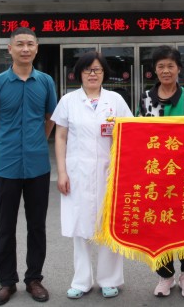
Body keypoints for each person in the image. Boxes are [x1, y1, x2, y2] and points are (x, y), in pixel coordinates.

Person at [0, 27, 58, 306]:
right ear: (10, 49)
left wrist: (39, 140)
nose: (25, 49)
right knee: (6, 227)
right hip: (6, 166)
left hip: (38, 166)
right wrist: (2, 145)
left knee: (37, 226)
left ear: (36, 48)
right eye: (19, 44)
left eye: (30, 44)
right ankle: (6, 282)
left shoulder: (46, 82)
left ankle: (34, 279)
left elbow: (50, 117)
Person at [52, 52, 132, 300]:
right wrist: (62, 172)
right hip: (77, 172)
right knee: (80, 226)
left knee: (109, 225)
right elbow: (60, 136)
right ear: (79, 74)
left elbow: (130, 133)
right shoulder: (68, 100)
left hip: (110, 171)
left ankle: (110, 280)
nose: (92, 74)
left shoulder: (115, 100)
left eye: (97, 70)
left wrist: (126, 170)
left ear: (104, 73)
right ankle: (82, 281)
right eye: (87, 70)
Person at [137, 45, 184, 298]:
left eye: (170, 66)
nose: (166, 70)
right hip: (156, 175)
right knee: (159, 225)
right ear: (154, 70)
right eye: (161, 66)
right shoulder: (146, 98)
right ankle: (165, 275)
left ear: (179, 69)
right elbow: (136, 133)